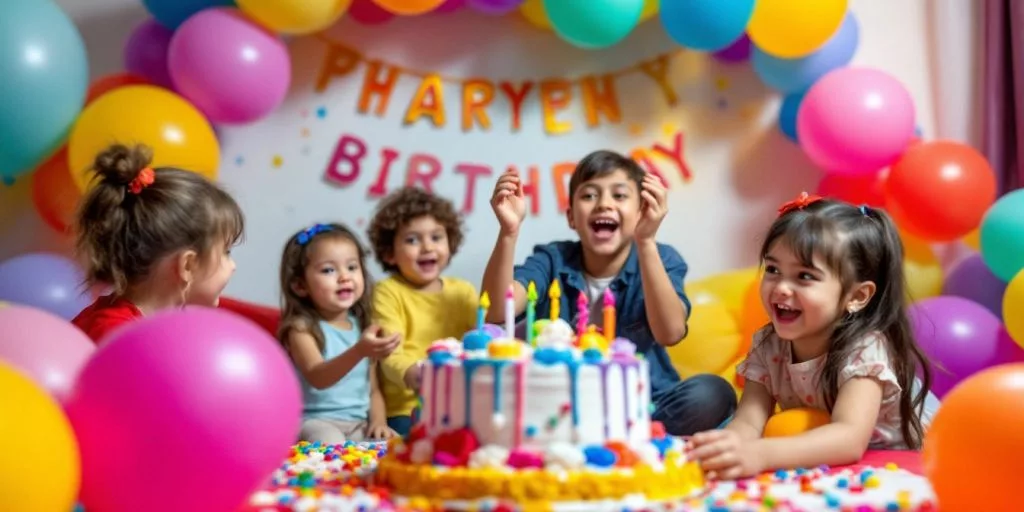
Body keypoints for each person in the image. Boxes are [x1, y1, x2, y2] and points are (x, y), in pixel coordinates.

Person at [480, 149, 736, 436]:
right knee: (490, 401)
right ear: (571, 218)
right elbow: (497, 310)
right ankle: (616, 436)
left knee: (712, 393)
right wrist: (508, 232)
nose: (603, 204)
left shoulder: (661, 259)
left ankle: (614, 433)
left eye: (619, 195)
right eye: (589, 195)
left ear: (641, 212)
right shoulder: (552, 260)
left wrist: (647, 241)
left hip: (645, 404)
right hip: (563, 404)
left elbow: (671, 332)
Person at [688, 193, 938, 479]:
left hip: (909, 458)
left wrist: (759, 454)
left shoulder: (865, 349)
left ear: (857, 296)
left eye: (804, 276)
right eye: (772, 269)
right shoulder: (769, 345)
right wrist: (728, 447)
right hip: (843, 465)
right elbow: (748, 421)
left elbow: (849, 438)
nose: (781, 287)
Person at [72, 143, 244, 342]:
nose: (233, 266)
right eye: (226, 252)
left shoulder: (150, 323)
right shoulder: (121, 338)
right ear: (188, 265)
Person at [367, 187, 478, 436]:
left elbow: (478, 343)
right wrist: (413, 374)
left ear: (450, 241)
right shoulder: (388, 292)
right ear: (389, 253)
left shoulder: (463, 291)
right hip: (407, 409)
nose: (427, 247)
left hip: (460, 405)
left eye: (436, 237)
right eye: (412, 240)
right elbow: (389, 355)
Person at [278, 222, 400, 445]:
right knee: (330, 442)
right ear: (299, 285)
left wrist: (379, 422)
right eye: (328, 270)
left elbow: (373, 391)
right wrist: (359, 351)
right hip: (315, 421)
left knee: (399, 446)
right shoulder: (301, 329)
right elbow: (318, 377)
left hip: (358, 424)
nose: (344, 277)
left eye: (352, 267)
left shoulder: (363, 327)